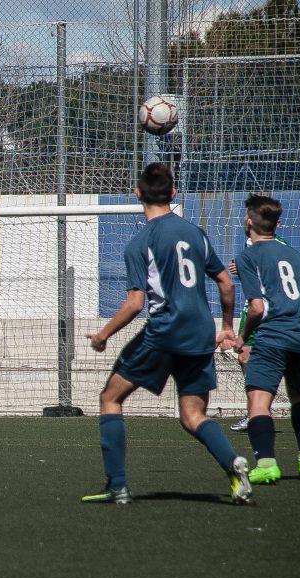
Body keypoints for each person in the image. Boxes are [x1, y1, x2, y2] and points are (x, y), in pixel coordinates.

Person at [81, 163, 252, 505]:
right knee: (193, 416)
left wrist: (102, 335)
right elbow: (226, 282)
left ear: (137, 195)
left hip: (164, 331)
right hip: (201, 333)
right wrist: (228, 327)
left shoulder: (140, 243)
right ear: (173, 194)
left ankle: (117, 487)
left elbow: (134, 303)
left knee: (110, 399)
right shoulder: (196, 233)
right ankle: (233, 465)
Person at [233, 194, 300, 483]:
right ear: (277, 224)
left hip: (273, 338)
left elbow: (257, 308)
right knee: (299, 394)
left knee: (259, 401)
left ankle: (268, 464)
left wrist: (243, 338)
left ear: (249, 222)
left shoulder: (248, 257)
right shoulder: (296, 255)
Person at [226, 231, 290, 433]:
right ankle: (255, 412)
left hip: (270, 308)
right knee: (244, 357)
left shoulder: (281, 245)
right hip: (252, 305)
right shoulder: (248, 242)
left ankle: (260, 411)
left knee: (272, 360)